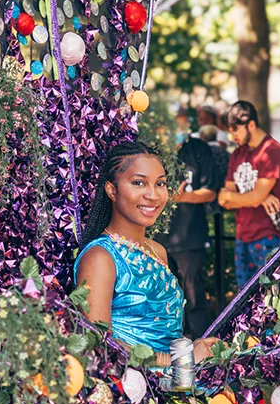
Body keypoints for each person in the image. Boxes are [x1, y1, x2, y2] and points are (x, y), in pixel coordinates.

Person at [75, 142, 217, 365]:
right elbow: (99, 346)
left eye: (160, 183)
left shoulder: (157, 250)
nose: (153, 195)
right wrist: (181, 359)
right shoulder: (100, 257)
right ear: (112, 190)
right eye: (139, 183)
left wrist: (194, 351)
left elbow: (165, 330)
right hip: (135, 391)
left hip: (177, 383)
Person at [217, 101, 280, 290]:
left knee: (272, 299)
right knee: (245, 300)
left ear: (250, 124)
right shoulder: (238, 153)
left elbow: (237, 196)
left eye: (235, 130)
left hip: (270, 236)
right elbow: (223, 199)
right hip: (242, 236)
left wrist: (253, 197)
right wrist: (258, 197)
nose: (232, 135)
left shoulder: (271, 150)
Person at [160, 112, 221, 338]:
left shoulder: (198, 150)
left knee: (193, 294)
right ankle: (169, 341)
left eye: (181, 126)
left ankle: (200, 340)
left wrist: (182, 197)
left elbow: (210, 192)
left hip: (189, 236)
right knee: (165, 294)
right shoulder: (155, 152)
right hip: (159, 238)